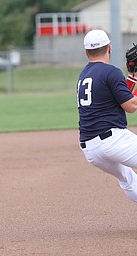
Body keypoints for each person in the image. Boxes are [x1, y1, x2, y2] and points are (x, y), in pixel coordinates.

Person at [77, 29, 137, 204]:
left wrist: (132, 76)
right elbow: (130, 106)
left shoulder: (84, 75)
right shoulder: (111, 72)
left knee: (127, 178)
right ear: (110, 48)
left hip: (90, 149)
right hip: (112, 140)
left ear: (86, 52)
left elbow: (119, 98)